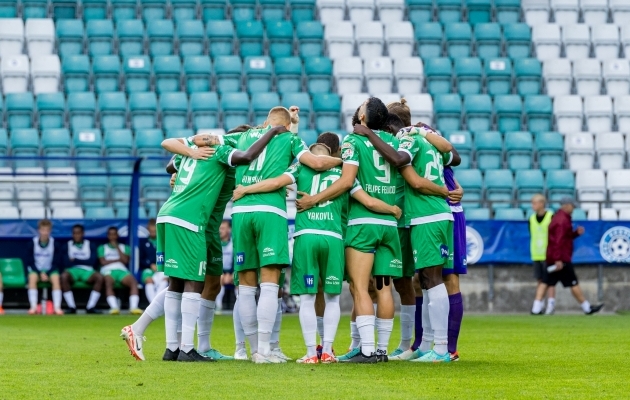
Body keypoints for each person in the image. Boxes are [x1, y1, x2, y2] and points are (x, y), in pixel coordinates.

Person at [233, 134, 401, 364]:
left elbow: (274, 183)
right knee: (332, 298)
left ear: (311, 154)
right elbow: (368, 202)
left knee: (308, 298)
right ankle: (329, 351)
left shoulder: (300, 167)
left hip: (306, 237)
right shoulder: (344, 174)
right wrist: (393, 209)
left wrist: (246, 189)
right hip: (333, 238)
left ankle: (312, 353)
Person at [154, 119, 291, 362]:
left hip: (168, 214)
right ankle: (187, 348)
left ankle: (172, 348)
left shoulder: (198, 152)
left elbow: (169, 162)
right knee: (194, 284)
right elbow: (248, 156)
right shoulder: (222, 152)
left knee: (176, 283)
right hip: (194, 222)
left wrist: (189, 154)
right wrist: (272, 132)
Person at [225, 107, 342, 364]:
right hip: (270, 211)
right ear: (288, 125)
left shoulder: (243, 137)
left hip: (241, 211)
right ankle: (265, 350)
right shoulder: (290, 139)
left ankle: (249, 349)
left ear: (266, 121)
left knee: (245, 286)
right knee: (270, 283)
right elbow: (316, 162)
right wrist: (346, 161)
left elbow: (215, 152)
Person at [295, 98, 405, 363]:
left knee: (359, 288)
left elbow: (347, 181)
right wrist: (392, 209)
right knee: (384, 289)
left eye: (362, 106)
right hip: (388, 225)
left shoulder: (353, 142)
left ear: (365, 118)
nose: (359, 107)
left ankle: (366, 350)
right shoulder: (394, 143)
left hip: (363, 225)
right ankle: (381, 350)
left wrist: (314, 199)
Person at [348, 113, 456, 362]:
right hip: (428, 215)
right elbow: (454, 156)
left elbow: (404, 167)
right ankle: (428, 345)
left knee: (431, 279)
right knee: (427, 281)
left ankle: (440, 349)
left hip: (426, 215)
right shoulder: (429, 139)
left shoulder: (408, 140)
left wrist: (370, 134)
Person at [532, 198, 604, 315]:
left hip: (552, 256)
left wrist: (575, 233)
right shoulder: (562, 220)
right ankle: (587, 308)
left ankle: (536, 308)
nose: (573, 208)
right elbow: (558, 241)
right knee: (573, 282)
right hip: (561, 258)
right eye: (572, 206)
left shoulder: (559, 218)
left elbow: (563, 237)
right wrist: (558, 259)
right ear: (566, 206)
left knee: (545, 281)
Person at [59, 224, 103, 314]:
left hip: (87, 271)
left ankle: (90, 307)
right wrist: (84, 260)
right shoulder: (67, 245)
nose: (76, 235)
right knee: (64, 276)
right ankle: (71, 307)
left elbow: (92, 261)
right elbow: (66, 263)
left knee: (99, 277)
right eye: (74, 233)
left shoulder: (90, 244)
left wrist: (75, 259)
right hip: (72, 271)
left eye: (79, 233)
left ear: (83, 233)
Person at [99, 227, 142, 315]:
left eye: (114, 234)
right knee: (108, 282)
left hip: (122, 270)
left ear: (117, 235)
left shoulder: (124, 247)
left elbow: (125, 260)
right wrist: (118, 260)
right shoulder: (102, 247)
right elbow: (103, 262)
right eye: (110, 234)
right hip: (108, 270)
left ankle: (133, 307)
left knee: (133, 282)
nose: (112, 237)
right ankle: (114, 307)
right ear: (108, 236)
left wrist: (117, 248)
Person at [25, 219, 63, 315]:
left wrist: (47, 273)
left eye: (47, 230)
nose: (45, 233)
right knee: (32, 278)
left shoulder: (55, 244)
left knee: (56, 279)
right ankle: (33, 307)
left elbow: (57, 262)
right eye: (43, 230)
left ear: (50, 231)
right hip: (36, 270)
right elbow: (30, 262)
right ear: (39, 230)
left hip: (50, 270)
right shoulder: (32, 243)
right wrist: (40, 273)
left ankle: (57, 307)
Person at [529, 194, 556, 315]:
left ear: (541, 204)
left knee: (550, 281)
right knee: (540, 280)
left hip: (548, 254)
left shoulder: (551, 216)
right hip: (536, 254)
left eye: (534, 203)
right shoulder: (531, 218)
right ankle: (540, 305)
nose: (532, 206)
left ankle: (551, 304)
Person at [140, 219, 168, 303]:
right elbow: (140, 260)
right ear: (148, 229)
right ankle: (153, 305)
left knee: (165, 279)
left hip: (162, 268)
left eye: (154, 231)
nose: (153, 232)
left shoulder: (163, 242)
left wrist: (161, 265)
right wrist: (150, 265)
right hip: (148, 269)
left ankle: (156, 305)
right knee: (149, 280)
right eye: (151, 230)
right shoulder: (143, 243)